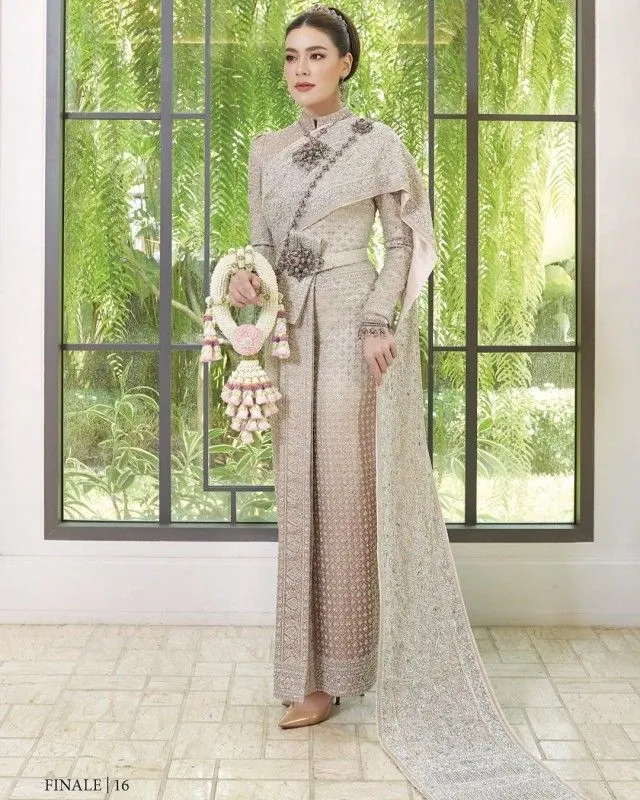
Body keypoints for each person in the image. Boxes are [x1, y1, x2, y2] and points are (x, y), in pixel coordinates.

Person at [230, 4, 588, 798]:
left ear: (346, 63)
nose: (300, 69)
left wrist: (377, 320)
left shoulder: (378, 143)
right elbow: (259, 243)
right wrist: (250, 282)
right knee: (299, 494)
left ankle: (352, 667)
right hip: (288, 332)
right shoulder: (265, 150)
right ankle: (304, 676)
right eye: (290, 56)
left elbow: (407, 243)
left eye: (316, 55)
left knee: (350, 495)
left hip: (352, 321)